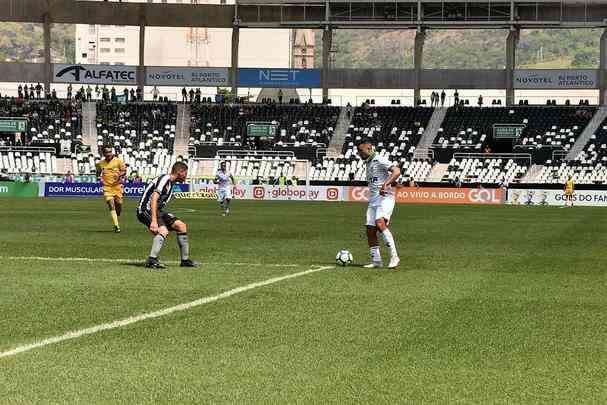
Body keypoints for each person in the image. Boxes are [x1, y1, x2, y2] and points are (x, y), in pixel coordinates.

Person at [136, 162, 197, 269]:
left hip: (157, 210)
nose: (186, 176)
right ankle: (152, 260)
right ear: (179, 172)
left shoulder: (172, 183)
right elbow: (154, 199)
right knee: (163, 231)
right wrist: (154, 221)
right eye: (185, 173)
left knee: (181, 226)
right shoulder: (165, 179)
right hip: (145, 209)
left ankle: (185, 261)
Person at [356, 139, 401, 269]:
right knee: (370, 230)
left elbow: (396, 171)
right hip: (374, 200)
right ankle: (377, 261)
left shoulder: (379, 159)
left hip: (385, 197)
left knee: (379, 223)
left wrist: (386, 184)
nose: (359, 153)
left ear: (369, 149)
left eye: (361, 150)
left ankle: (394, 257)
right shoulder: (368, 162)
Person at [95, 145, 127, 233]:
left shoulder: (118, 161)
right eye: (107, 152)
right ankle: (116, 226)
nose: (109, 154)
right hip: (107, 188)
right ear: (103, 153)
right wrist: (98, 175)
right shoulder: (100, 164)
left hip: (117, 187)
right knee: (111, 205)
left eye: (110, 152)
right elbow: (98, 173)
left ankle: (116, 217)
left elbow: (124, 171)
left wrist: (119, 175)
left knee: (119, 207)